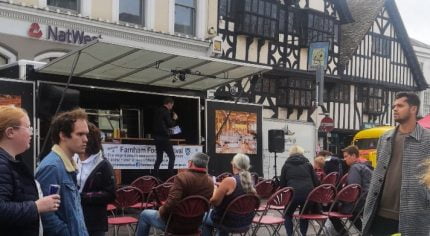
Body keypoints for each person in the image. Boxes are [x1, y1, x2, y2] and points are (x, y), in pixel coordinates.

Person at [362, 92, 430, 235]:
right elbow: (378, 172)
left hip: (414, 216)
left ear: (413, 109)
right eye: (394, 106)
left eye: (400, 105)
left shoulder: (427, 139)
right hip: (380, 213)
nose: (394, 109)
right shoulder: (385, 138)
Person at [0, 105, 60, 235]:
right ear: (10, 132)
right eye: (28, 127)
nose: (32, 132)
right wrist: (37, 206)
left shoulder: (11, 162)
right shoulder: (3, 164)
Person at [36, 108, 89, 236]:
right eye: (80, 134)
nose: (86, 139)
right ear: (63, 135)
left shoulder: (66, 165)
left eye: (86, 134)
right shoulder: (52, 167)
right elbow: (47, 215)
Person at [136, 152, 214, 236]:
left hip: (175, 225)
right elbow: (207, 204)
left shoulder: (182, 177)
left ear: (191, 163)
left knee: (144, 214)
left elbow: (172, 202)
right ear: (205, 166)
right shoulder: (210, 181)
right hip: (195, 225)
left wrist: (161, 211)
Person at [73, 123, 116, 236]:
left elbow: (110, 194)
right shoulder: (72, 159)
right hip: (74, 217)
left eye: (83, 135)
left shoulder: (104, 165)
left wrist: (83, 197)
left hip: (94, 222)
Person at [202, 153, 257, 236]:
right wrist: (223, 187)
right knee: (224, 214)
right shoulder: (250, 181)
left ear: (234, 165)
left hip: (227, 221)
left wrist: (216, 189)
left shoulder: (229, 180)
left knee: (203, 216)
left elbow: (214, 202)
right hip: (246, 222)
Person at [330, 145, 372, 235]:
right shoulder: (366, 166)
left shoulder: (355, 168)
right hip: (367, 201)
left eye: (346, 156)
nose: (344, 159)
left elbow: (353, 188)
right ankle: (366, 233)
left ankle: (344, 234)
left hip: (358, 203)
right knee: (353, 216)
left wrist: (338, 199)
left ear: (353, 156)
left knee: (330, 210)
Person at [279, 145, 319, 236]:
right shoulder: (308, 164)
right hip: (309, 194)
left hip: (293, 194)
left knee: (287, 214)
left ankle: (290, 234)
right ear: (302, 153)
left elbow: (282, 184)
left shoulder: (286, 165)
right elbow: (316, 181)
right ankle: (303, 234)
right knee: (304, 214)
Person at [153, 97, 178, 179]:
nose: (172, 107)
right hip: (164, 138)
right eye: (172, 105)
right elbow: (170, 124)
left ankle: (155, 176)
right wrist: (174, 119)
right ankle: (170, 176)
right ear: (169, 104)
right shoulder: (166, 111)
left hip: (157, 138)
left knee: (159, 158)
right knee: (172, 157)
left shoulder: (157, 111)